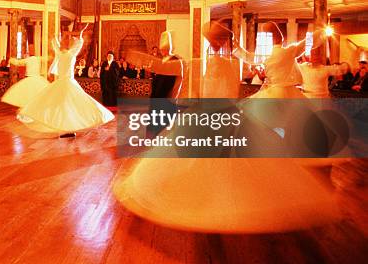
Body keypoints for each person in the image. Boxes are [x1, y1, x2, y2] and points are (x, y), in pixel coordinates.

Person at [114, 20, 339, 233]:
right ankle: (211, 196)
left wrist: (141, 58)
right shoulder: (211, 64)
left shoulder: (222, 64)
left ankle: (218, 199)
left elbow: (170, 70)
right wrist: (143, 59)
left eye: (217, 40)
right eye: (215, 40)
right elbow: (167, 68)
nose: (215, 44)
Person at [18, 24, 114, 137]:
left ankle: (67, 129)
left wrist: (57, 37)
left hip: (65, 82)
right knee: (67, 106)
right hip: (66, 82)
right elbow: (78, 43)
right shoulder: (70, 53)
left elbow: (60, 44)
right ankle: (66, 129)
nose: (65, 44)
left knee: (65, 106)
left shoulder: (63, 53)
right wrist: (79, 34)